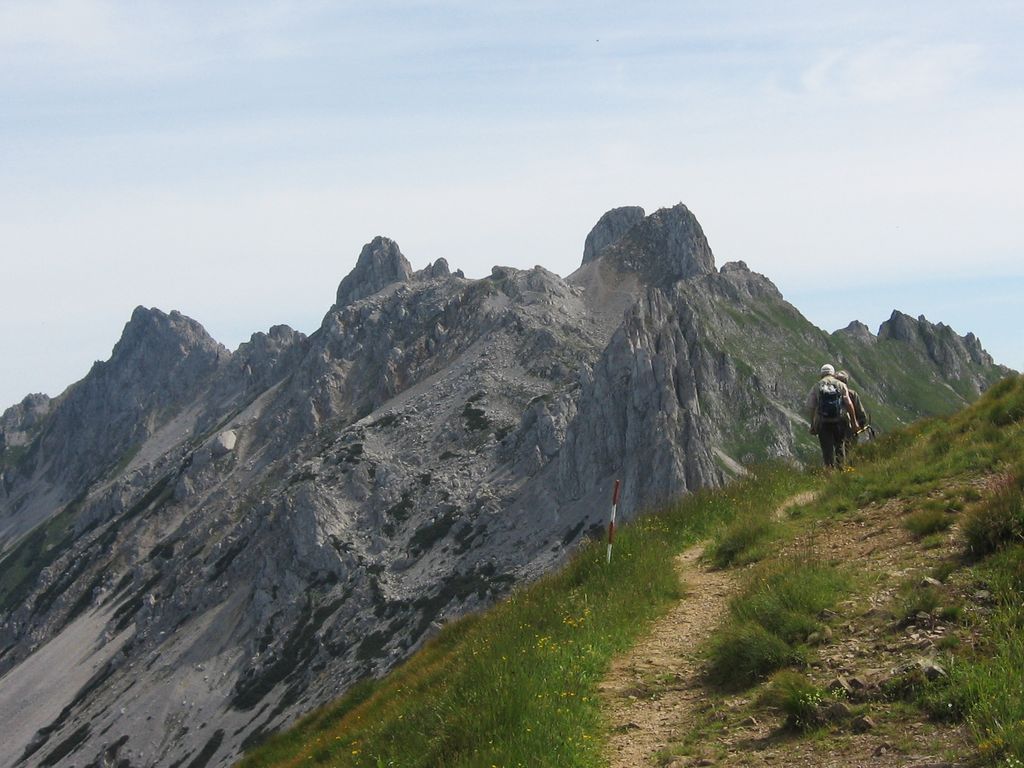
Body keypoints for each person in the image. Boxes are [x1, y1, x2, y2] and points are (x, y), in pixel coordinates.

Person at [806, 364, 859, 468]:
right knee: (840, 446)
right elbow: (848, 403)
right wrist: (854, 421)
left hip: (824, 423)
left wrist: (812, 425)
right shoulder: (840, 384)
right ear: (833, 373)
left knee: (827, 450)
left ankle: (829, 472)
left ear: (821, 374)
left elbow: (811, 406)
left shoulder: (817, 386)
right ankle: (842, 471)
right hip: (839, 421)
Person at [835, 369, 868, 456]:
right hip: (850, 427)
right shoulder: (852, 394)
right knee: (850, 449)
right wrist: (860, 423)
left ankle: (839, 466)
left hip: (834, 425)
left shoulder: (830, 394)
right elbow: (860, 412)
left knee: (838, 448)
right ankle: (850, 464)